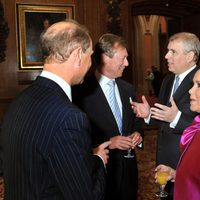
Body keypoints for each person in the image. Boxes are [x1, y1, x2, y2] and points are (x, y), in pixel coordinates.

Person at [1, 20, 111, 200]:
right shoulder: (70, 117)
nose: (91, 63)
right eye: (90, 55)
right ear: (77, 55)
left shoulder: (18, 101)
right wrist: (98, 161)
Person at [73, 33, 143, 200]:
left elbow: (135, 122)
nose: (127, 63)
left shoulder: (128, 89)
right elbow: (75, 139)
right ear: (106, 58)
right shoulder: (80, 93)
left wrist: (138, 135)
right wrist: (109, 143)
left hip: (128, 175)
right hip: (100, 174)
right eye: (123, 58)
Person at [131, 32, 200, 199]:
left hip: (188, 162)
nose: (166, 56)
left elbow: (194, 125)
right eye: (168, 51)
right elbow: (165, 118)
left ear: (190, 56)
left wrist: (175, 118)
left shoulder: (198, 80)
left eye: (173, 52)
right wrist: (149, 115)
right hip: (165, 161)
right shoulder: (168, 80)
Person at [155, 68, 200, 200]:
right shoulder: (196, 126)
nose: (190, 91)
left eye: (199, 85)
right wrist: (177, 174)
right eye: (193, 84)